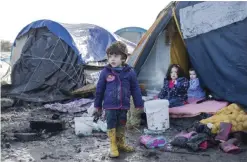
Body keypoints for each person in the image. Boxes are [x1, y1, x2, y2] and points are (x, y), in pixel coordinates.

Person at [94, 41, 144, 158]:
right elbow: (99, 90)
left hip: (124, 105)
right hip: (110, 106)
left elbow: (135, 89)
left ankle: (121, 143)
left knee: (122, 123)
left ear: (123, 58)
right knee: (111, 124)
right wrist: (97, 105)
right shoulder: (105, 72)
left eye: (115, 56)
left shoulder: (130, 73)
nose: (112, 59)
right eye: (110, 56)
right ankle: (113, 145)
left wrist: (138, 103)